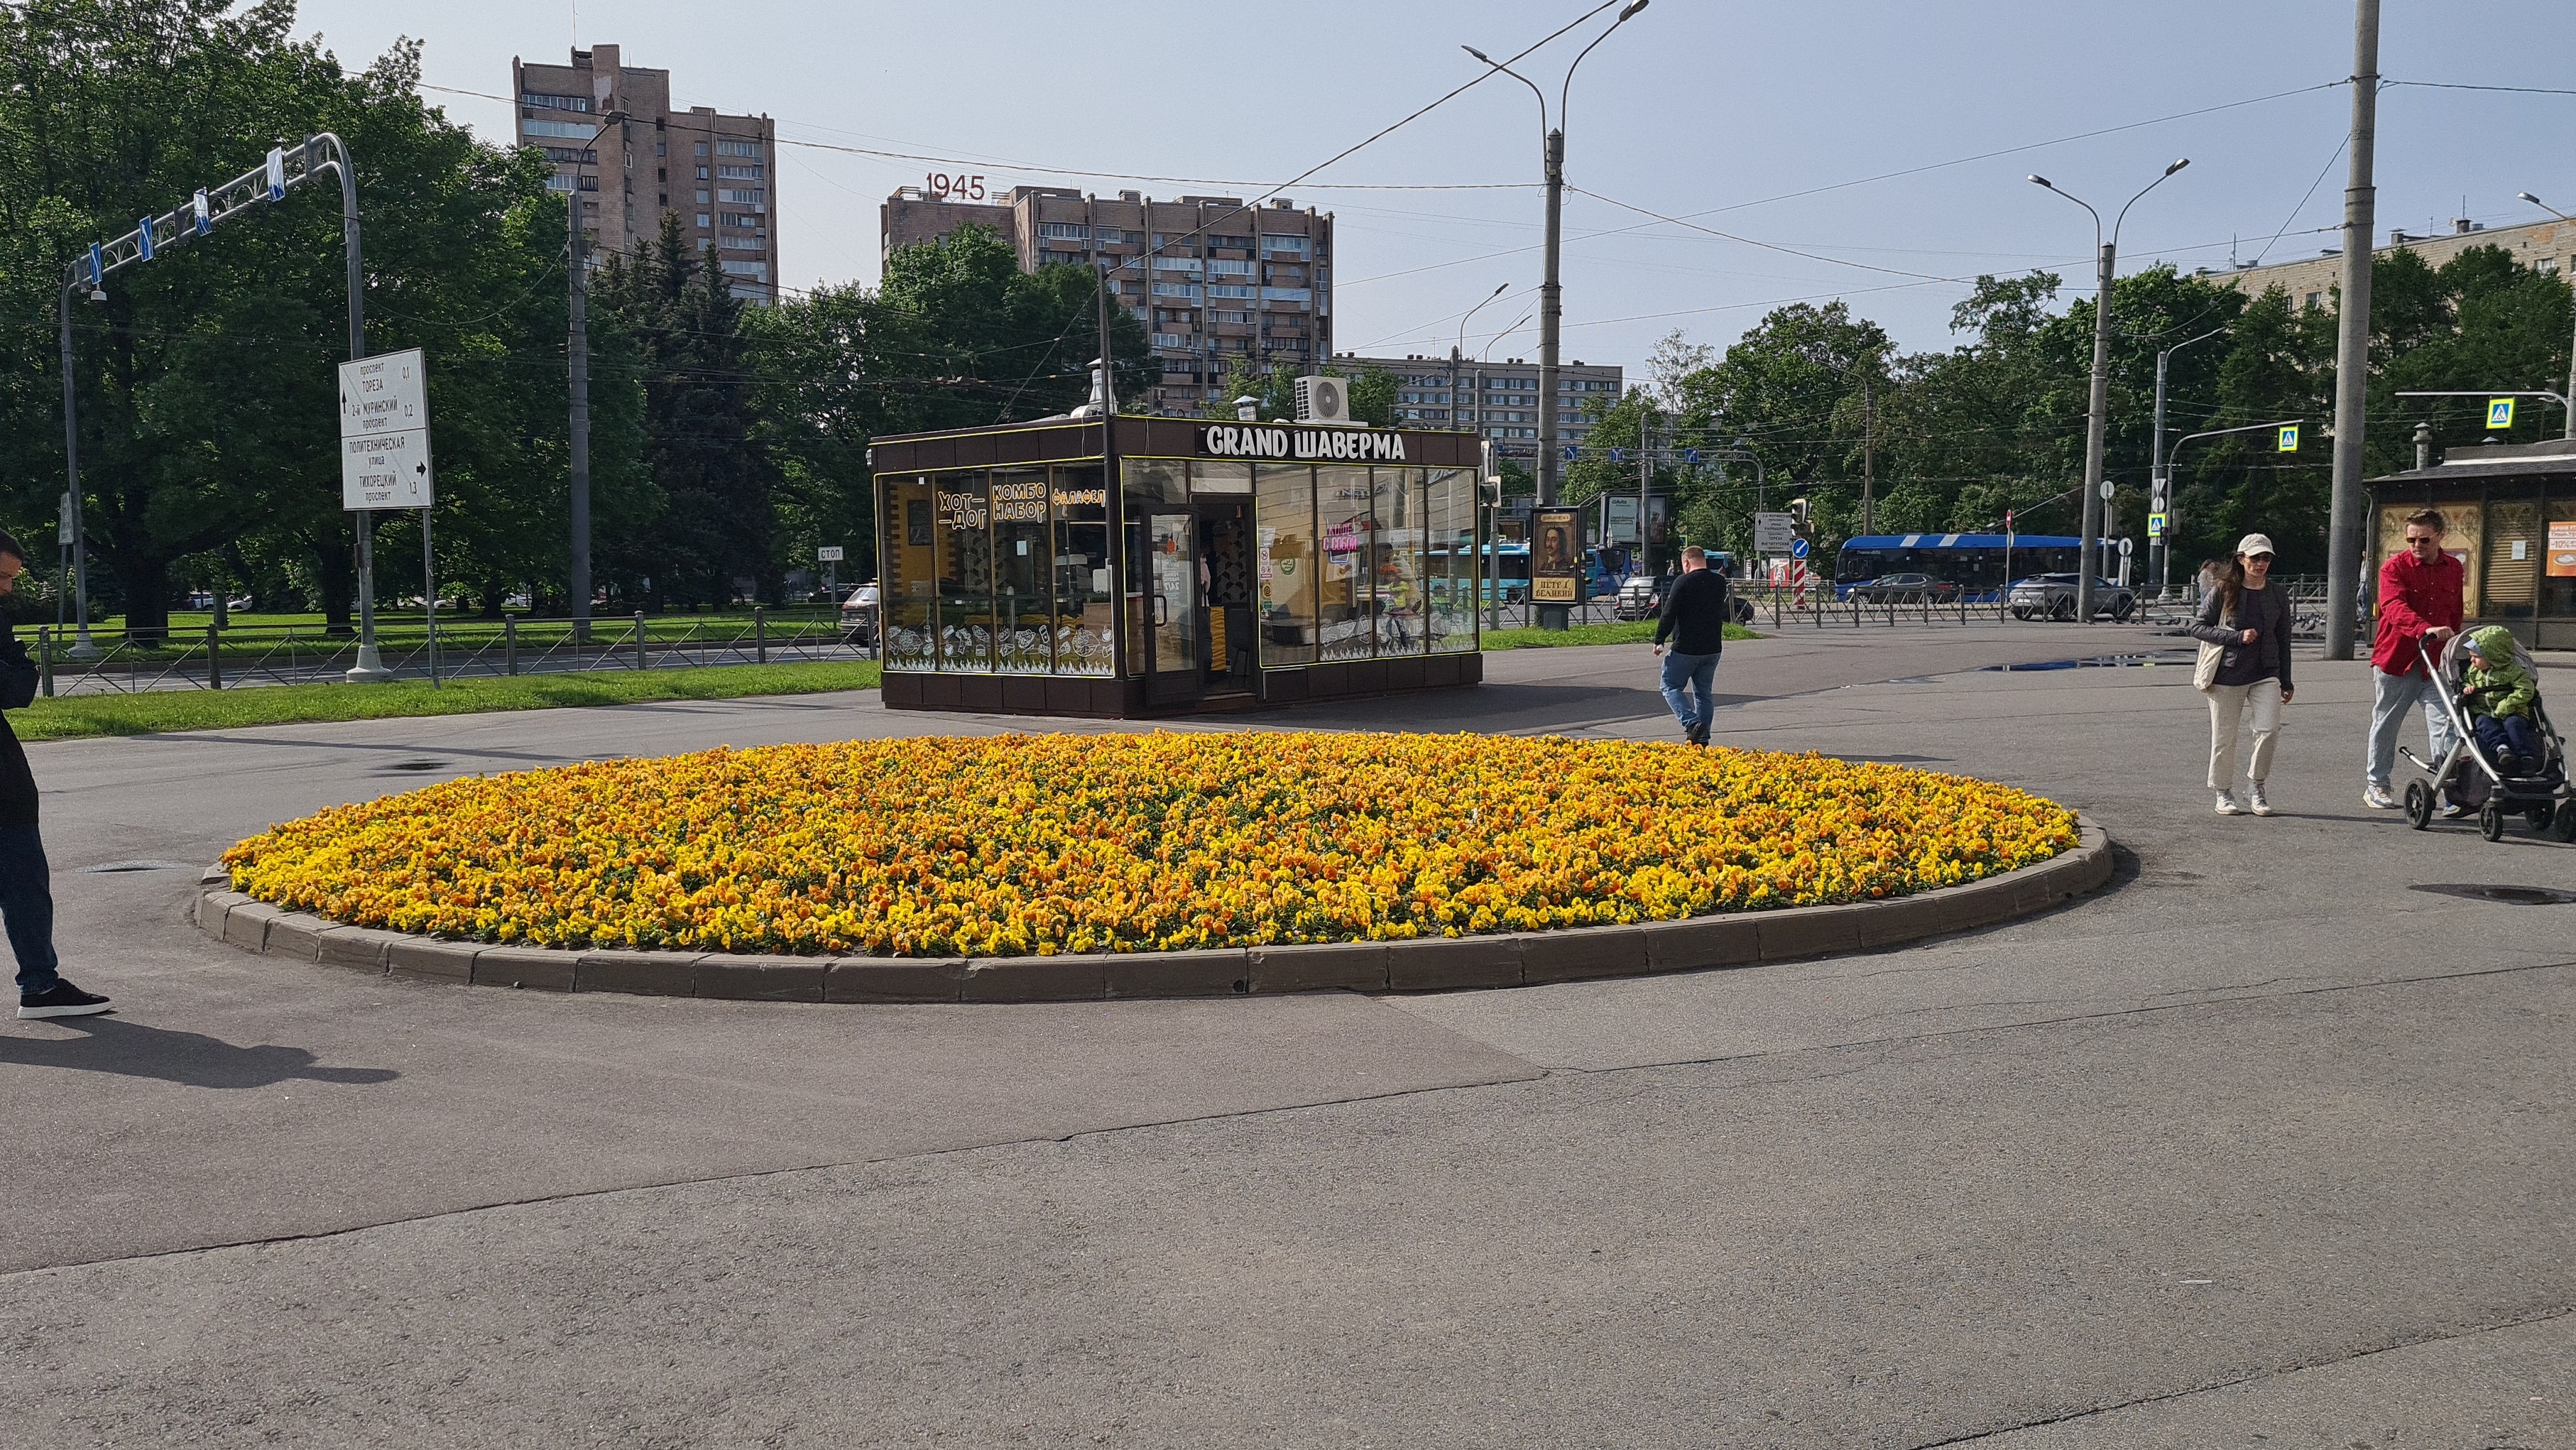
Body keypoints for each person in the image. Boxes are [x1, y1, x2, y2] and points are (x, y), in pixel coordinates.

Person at [1, 531, 108, 1019]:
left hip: (6, 784)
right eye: (1, 576)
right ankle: (40, 984)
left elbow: (21, 686)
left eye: (12, 579)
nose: (7, 588)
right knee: (23, 878)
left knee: (26, 881)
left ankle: (41, 986)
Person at [2364, 508, 2465, 811]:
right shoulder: (2393, 568)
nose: (2416, 546)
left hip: (2436, 663)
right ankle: (2377, 784)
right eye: (2411, 540)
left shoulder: (2453, 568)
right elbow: (2393, 606)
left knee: (2447, 726)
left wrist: (2454, 647)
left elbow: (2455, 612)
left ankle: (2451, 792)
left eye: (2424, 540)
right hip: (2398, 660)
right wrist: (2424, 629)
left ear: (2440, 536)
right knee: (2386, 723)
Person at [2189, 535, 2295, 816]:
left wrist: (2286, 679)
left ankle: (2256, 787)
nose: (2261, 564)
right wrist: (2236, 637)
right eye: (2255, 558)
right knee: (2225, 737)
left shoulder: (2277, 593)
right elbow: (2198, 627)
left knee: (2269, 729)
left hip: (2266, 673)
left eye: (2266, 558)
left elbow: (2284, 638)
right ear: (2241, 559)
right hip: (2227, 674)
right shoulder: (2224, 589)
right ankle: (2223, 791)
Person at [1652, 545, 1731, 746]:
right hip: (1713, 648)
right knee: (1704, 694)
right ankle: (1701, 740)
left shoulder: (1683, 582)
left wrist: (1659, 639)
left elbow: (1668, 613)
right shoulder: (1719, 582)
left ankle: (1692, 723)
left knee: (1669, 685)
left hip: (1686, 647)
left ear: (1686, 562)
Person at [2462, 624, 2543, 775]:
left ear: (2492, 656)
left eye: (2476, 657)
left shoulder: (2513, 671)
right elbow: (2466, 681)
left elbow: (2526, 690)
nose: (2472, 661)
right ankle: (2502, 749)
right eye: (2471, 656)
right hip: (2485, 711)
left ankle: (2526, 756)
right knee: (2483, 724)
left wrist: (2506, 705)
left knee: (2514, 725)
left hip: (2512, 711)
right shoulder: (2473, 672)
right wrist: (2467, 687)